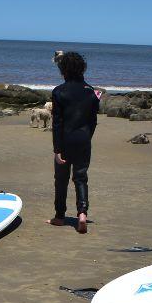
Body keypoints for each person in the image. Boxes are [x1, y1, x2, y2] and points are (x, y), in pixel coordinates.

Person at [48, 51, 100, 234]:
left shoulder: (58, 91)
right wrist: (87, 138)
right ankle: (82, 214)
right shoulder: (92, 92)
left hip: (65, 140)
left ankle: (59, 216)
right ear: (82, 69)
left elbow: (57, 123)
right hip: (84, 139)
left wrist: (57, 149)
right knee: (80, 177)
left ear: (63, 70)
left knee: (61, 179)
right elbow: (93, 121)